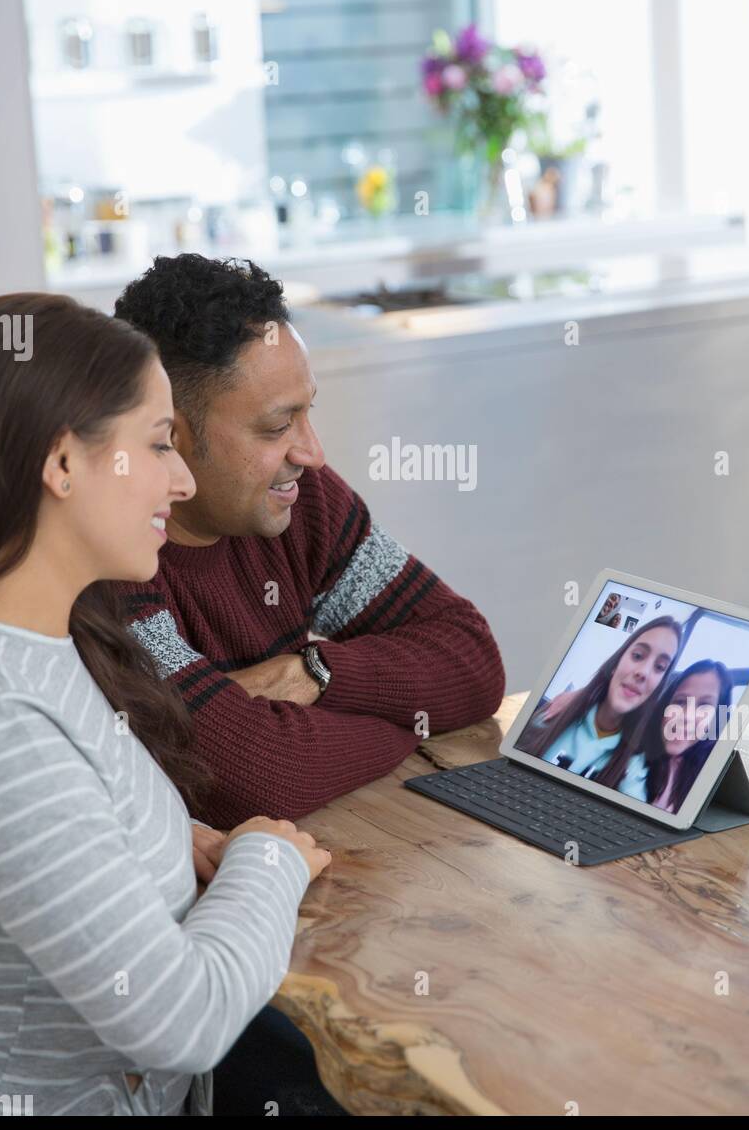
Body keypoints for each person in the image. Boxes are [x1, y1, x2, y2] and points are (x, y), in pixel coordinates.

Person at [0, 294, 330, 1116]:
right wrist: (269, 859)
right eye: (156, 445)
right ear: (64, 464)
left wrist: (156, 842)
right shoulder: (7, 720)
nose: (179, 483)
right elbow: (185, 1021)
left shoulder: (57, 641)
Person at [112, 253, 506, 830]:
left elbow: (471, 661)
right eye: (277, 427)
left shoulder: (302, 503)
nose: (312, 453)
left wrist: (313, 673)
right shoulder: (112, 557)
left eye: (307, 413)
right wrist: (402, 721)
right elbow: (259, 779)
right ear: (171, 435)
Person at [514, 618, 682, 800]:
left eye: (659, 667)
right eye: (638, 656)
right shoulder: (557, 713)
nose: (644, 672)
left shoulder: (633, 766)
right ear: (615, 664)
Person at [642, 660, 733, 813]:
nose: (687, 716)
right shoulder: (631, 753)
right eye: (679, 702)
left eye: (704, 706)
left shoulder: (711, 774)